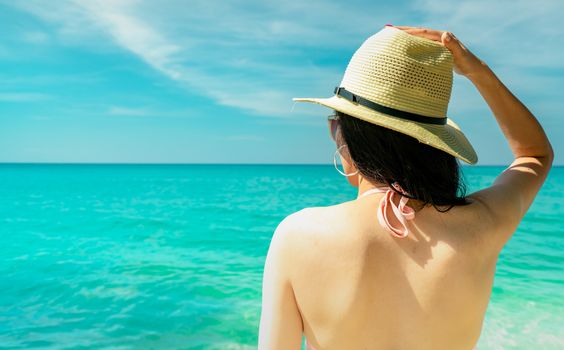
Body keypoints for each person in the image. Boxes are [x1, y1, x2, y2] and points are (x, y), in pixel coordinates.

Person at [258, 25, 554, 350]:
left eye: (334, 122)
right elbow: (535, 154)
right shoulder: (482, 225)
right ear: (436, 145)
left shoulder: (298, 236)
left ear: (345, 135)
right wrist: (476, 71)